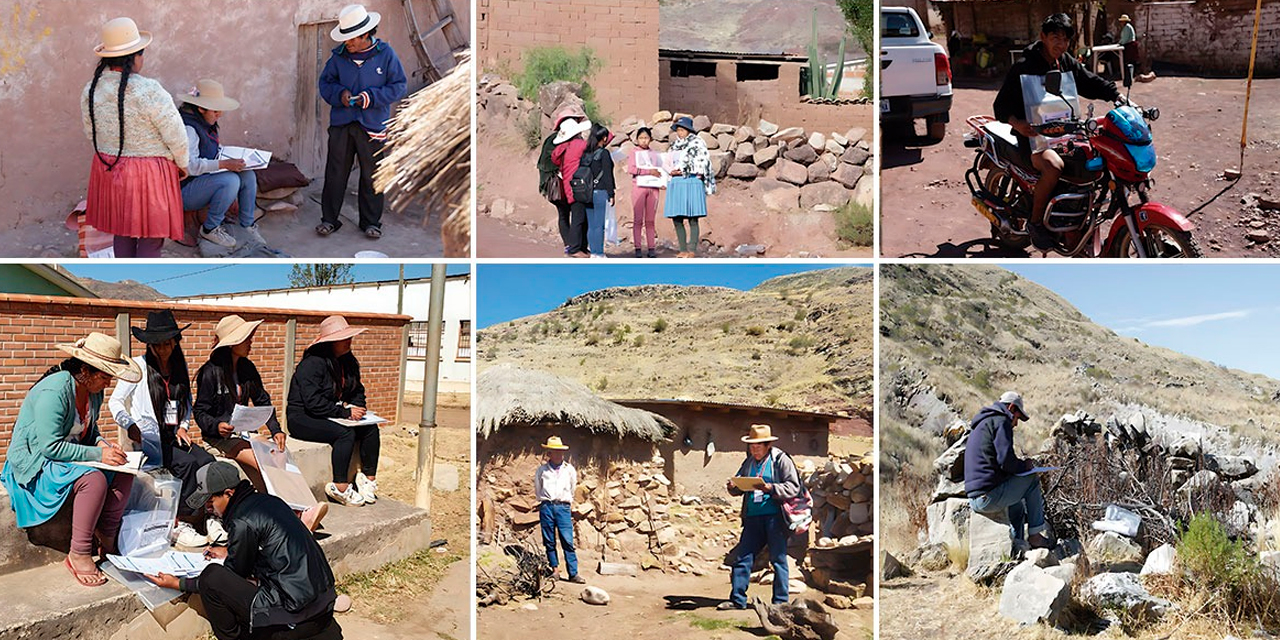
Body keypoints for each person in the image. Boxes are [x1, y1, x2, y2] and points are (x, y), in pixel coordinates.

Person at [1, 333, 142, 587]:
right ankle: (78, 552)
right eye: (105, 375)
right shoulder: (54, 391)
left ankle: (107, 537)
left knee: (124, 472)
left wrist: (102, 444)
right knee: (94, 479)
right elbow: (49, 446)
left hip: (69, 455)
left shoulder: (93, 392)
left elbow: (90, 430)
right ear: (85, 370)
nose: (109, 383)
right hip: (37, 462)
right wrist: (98, 454)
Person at [146, 461, 342, 640]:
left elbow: (233, 574)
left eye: (210, 501)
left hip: (296, 617)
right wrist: (229, 550)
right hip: (322, 606)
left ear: (229, 493)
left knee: (211, 578)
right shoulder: (269, 502)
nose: (208, 509)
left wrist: (179, 583)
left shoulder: (241, 521)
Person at [993, 13, 1121, 251]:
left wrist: (1116, 95)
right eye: (1055, 38)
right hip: (1033, 139)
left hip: (1065, 134)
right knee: (1054, 167)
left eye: (1065, 39)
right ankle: (1035, 223)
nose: (1060, 44)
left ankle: (1074, 214)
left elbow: (1089, 81)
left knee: (1094, 158)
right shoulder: (1023, 67)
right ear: (1043, 37)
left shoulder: (1066, 62)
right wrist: (1017, 123)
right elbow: (1000, 106)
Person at [109, 310, 222, 548]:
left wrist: (183, 426)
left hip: (173, 436)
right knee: (188, 464)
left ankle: (209, 515)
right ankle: (180, 522)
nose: (163, 350)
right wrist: (130, 425)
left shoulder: (179, 367)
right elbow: (115, 402)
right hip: (150, 440)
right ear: (149, 345)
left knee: (208, 460)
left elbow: (186, 402)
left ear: (175, 342)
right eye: (157, 345)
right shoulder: (138, 367)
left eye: (168, 344)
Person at [81, 17, 189, 258]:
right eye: (142, 54)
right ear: (134, 57)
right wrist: (181, 164)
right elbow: (176, 134)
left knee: (122, 231)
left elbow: (91, 132)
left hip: (109, 168)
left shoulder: (91, 89)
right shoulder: (148, 90)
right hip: (148, 173)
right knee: (151, 239)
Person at [316, 3, 408, 240]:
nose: (348, 43)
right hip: (342, 125)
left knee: (372, 175)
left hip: (373, 126)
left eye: (352, 39)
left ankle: (371, 223)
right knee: (335, 173)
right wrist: (340, 94)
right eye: (346, 39)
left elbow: (398, 86)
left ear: (365, 34)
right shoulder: (338, 58)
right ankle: (329, 220)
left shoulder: (386, 55)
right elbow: (325, 84)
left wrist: (373, 98)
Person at [287, 316, 379, 507]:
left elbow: (357, 391)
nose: (348, 341)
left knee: (371, 428)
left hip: (330, 413)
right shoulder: (312, 364)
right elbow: (312, 403)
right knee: (345, 433)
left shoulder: (349, 362)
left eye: (349, 337)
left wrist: (357, 408)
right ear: (330, 343)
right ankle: (340, 486)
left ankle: (368, 481)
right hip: (303, 418)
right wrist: (345, 413)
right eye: (343, 338)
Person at [719, 424, 801, 610]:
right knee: (743, 557)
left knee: (778, 559)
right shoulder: (749, 463)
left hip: (775, 518)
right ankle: (737, 600)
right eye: (751, 446)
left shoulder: (780, 459)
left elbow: (793, 487)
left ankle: (780, 602)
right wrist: (733, 486)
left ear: (767, 445)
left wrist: (771, 488)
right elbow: (740, 483)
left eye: (758, 446)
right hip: (753, 518)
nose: (754, 450)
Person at [177, 79, 264, 249]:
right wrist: (224, 164)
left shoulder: (205, 123)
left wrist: (236, 158)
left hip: (205, 180)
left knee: (247, 174)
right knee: (230, 181)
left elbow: (211, 148)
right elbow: (188, 166)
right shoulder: (189, 128)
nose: (220, 115)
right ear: (201, 109)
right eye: (215, 111)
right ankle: (209, 228)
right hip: (186, 190)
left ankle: (247, 224)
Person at [964, 391, 1053, 548]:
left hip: (976, 497)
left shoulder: (983, 423)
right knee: (1032, 481)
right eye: (1017, 418)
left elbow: (998, 463)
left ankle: (1017, 544)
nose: (1016, 424)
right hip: (987, 497)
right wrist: (1025, 466)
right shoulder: (1001, 421)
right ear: (1011, 408)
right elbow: (1006, 462)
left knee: (1017, 504)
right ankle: (1035, 536)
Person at [538, 104, 588, 253]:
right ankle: (571, 246)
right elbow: (547, 162)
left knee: (576, 214)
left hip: (568, 180)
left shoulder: (573, 139)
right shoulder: (554, 140)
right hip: (558, 182)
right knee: (565, 214)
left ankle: (577, 246)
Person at [534, 436, 584, 583]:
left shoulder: (569, 470)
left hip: (563, 507)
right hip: (547, 506)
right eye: (554, 452)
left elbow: (572, 488)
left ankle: (573, 573)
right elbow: (538, 489)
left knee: (567, 540)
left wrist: (565, 501)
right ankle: (554, 569)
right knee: (549, 540)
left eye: (560, 452)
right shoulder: (542, 470)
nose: (558, 455)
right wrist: (544, 502)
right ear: (549, 453)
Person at [663, 116, 714, 258]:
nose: (680, 133)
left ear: (688, 130)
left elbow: (703, 162)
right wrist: (671, 170)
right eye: (678, 130)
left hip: (691, 181)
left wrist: (687, 169)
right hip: (677, 182)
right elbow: (667, 162)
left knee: (693, 217)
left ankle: (692, 249)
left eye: (682, 130)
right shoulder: (674, 146)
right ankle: (683, 249)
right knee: (677, 217)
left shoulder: (698, 144)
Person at [551, 118, 594, 257]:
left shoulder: (562, 148)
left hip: (569, 186)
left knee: (579, 217)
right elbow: (596, 147)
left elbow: (554, 159)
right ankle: (576, 249)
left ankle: (580, 247)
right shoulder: (579, 145)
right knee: (580, 219)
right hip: (580, 186)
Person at [626, 127, 662, 258]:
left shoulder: (654, 154)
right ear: (637, 139)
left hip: (653, 188)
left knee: (650, 220)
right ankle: (638, 248)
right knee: (637, 219)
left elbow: (660, 170)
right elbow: (631, 169)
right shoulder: (634, 153)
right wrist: (648, 171)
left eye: (646, 138)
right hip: (639, 187)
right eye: (641, 138)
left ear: (650, 139)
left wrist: (662, 181)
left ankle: (651, 248)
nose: (644, 140)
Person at [583, 124, 616, 259]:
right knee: (600, 225)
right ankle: (599, 253)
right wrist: (611, 193)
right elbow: (608, 175)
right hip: (600, 191)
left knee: (591, 225)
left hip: (587, 192)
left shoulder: (586, 154)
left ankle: (593, 252)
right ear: (603, 137)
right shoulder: (604, 153)